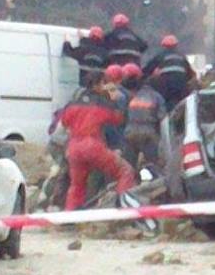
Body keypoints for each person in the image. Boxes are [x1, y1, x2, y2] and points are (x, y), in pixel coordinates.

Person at [59, 71, 135, 211]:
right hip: (93, 146)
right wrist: (114, 97)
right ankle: (124, 210)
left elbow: (64, 122)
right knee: (125, 171)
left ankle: (69, 218)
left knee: (77, 185)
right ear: (97, 84)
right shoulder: (103, 103)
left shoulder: (72, 103)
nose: (106, 86)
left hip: (73, 148)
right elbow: (118, 119)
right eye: (104, 83)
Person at [122, 63, 167, 170]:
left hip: (130, 133)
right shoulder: (157, 97)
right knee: (154, 166)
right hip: (148, 134)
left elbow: (124, 115)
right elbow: (163, 119)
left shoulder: (131, 96)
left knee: (128, 167)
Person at [144, 35, 196, 109]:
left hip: (166, 86)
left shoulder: (160, 56)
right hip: (181, 86)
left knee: (166, 104)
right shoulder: (182, 57)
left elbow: (147, 70)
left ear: (164, 46)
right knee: (181, 106)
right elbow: (189, 74)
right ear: (176, 45)